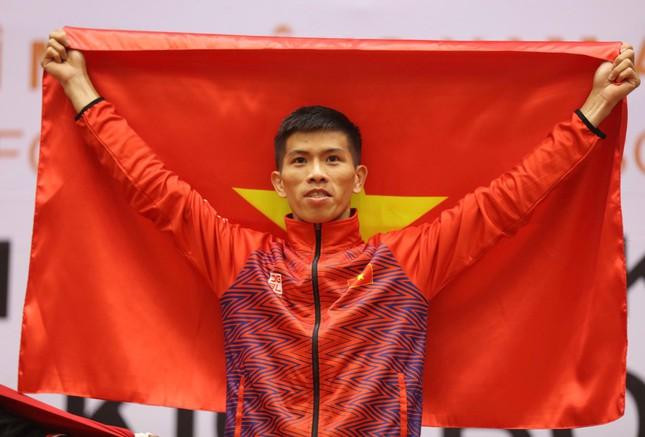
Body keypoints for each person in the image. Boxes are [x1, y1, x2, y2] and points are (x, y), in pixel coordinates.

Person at [40, 29, 639, 437]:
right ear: (279, 183)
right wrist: (79, 89)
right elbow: (150, 186)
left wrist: (594, 109)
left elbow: (512, 198)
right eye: (300, 161)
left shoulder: (409, 261)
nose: (317, 173)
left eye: (332, 159)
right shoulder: (239, 258)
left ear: (359, 177)